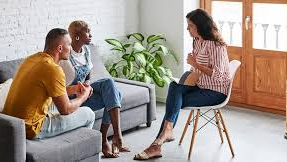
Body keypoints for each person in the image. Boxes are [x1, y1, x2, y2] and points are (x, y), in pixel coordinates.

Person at [133, 8, 230, 160]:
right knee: (174, 87)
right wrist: (190, 73)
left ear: (200, 25)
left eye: (190, 25)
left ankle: (158, 143)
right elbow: (197, 69)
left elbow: (219, 76)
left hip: (215, 92)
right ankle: (165, 135)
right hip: (200, 85)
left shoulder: (217, 45)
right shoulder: (198, 41)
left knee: (174, 103)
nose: (187, 28)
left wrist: (195, 64)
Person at [3, 28, 95, 140]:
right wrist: (83, 97)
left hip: (10, 123)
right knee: (89, 113)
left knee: (59, 103)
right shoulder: (53, 69)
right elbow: (65, 110)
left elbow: (52, 91)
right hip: (29, 128)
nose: (71, 49)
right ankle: (77, 149)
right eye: (69, 45)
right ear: (60, 48)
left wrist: (74, 89)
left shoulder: (30, 59)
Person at [58, 20, 130, 158]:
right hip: (73, 98)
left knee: (110, 86)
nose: (91, 34)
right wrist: (80, 91)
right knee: (116, 94)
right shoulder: (66, 56)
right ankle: (109, 139)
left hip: (85, 91)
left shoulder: (86, 50)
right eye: (88, 31)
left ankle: (111, 137)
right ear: (77, 36)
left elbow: (89, 70)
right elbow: (60, 88)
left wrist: (88, 84)